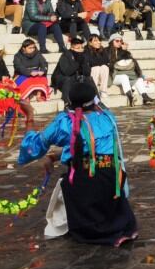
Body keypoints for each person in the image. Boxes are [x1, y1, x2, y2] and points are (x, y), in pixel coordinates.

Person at [17, 79, 137, 246]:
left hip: (85, 182)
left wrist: (29, 115)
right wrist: (53, 157)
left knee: (68, 182)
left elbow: (32, 147)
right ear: (95, 100)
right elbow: (86, 148)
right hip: (110, 179)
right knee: (99, 180)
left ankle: (87, 225)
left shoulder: (65, 123)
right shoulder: (108, 118)